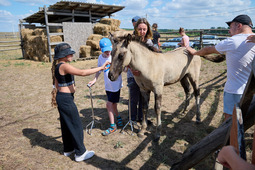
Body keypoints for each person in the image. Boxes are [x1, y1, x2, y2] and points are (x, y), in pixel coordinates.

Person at [187, 14, 255, 121]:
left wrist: (195, 52)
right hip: (252, 91)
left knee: (230, 123)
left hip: (234, 91)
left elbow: (209, 49)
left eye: (231, 26)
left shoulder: (232, 41)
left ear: (239, 26)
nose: (229, 30)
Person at [51, 43, 110, 162]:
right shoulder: (63, 66)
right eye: (69, 53)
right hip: (66, 99)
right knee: (76, 125)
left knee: (66, 125)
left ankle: (68, 149)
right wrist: (101, 67)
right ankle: (80, 153)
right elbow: (82, 72)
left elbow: (56, 85)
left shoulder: (58, 66)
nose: (72, 55)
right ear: (63, 55)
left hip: (63, 98)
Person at [88, 38, 123, 136]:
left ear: (112, 47)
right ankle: (118, 117)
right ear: (100, 49)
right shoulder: (100, 57)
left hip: (116, 85)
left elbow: (121, 68)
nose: (108, 53)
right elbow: (99, 70)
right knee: (113, 104)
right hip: (108, 85)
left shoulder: (114, 56)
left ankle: (113, 126)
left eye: (109, 50)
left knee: (108, 104)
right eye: (105, 51)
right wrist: (94, 80)